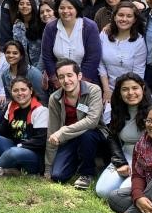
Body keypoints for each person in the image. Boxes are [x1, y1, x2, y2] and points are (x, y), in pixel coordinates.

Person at [44, 59, 108, 190]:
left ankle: (87, 174)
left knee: (87, 135)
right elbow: (52, 131)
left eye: (69, 75)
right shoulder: (55, 98)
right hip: (70, 139)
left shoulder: (93, 90)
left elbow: (92, 121)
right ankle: (81, 161)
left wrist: (63, 131)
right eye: (61, 77)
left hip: (94, 134)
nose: (66, 80)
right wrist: (48, 167)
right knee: (57, 176)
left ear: (79, 76)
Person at [0, 76, 48, 177]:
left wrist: (20, 146)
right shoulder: (11, 106)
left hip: (31, 154)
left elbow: (41, 140)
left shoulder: (40, 110)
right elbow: (4, 129)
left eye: (23, 89)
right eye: (15, 90)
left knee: (13, 152)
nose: (20, 93)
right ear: (11, 92)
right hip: (13, 146)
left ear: (31, 90)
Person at [94, 73, 152, 199]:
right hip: (126, 155)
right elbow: (112, 137)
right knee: (102, 191)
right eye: (125, 89)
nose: (130, 93)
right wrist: (120, 163)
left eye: (135, 88)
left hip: (148, 160)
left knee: (123, 192)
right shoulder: (118, 110)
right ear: (119, 93)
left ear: (142, 88)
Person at [41, 0, 102, 88]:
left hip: (86, 82)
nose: (65, 11)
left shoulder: (89, 26)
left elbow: (93, 58)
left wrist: (80, 84)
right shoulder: (50, 28)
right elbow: (47, 57)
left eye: (70, 8)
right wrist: (57, 80)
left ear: (77, 9)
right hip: (59, 83)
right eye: (62, 8)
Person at [98, 2, 147, 105]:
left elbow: (138, 73)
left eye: (129, 16)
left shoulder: (139, 42)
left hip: (130, 92)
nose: (124, 19)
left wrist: (129, 93)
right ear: (114, 17)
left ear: (134, 20)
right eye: (120, 15)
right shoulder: (103, 35)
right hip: (107, 89)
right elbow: (100, 64)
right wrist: (107, 90)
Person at [1, 39, 45, 105]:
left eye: (15, 53)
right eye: (8, 52)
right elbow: (9, 98)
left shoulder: (33, 73)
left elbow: (43, 98)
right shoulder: (4, 75)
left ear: (21, 56)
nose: (11, 55)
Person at [11, 0, 43, 74]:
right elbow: (17, 48)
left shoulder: (40, 24)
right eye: (21, 4)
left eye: (28, 4)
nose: (24, 6)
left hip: (42, 67)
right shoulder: (17, 25)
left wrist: (38, 70)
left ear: (33, 6)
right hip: (25, 68)